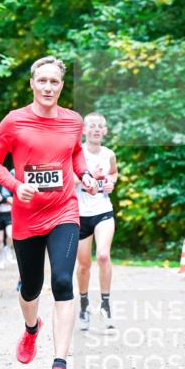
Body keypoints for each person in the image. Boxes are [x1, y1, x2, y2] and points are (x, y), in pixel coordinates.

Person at [0, 56, 99, 369]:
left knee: (63, 281)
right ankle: (31, 328)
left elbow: (75, 154)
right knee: (31, 287)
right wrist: (15, 185)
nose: (48, 87)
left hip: (64, 211)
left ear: (61, 85)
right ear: (32, 84)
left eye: (54, 81)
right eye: (43, 81)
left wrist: (85, 175)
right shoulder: (14, 121)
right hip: (27, 216)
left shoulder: (73, 121)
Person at [75, 112, 118, 332]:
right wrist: (86, 175)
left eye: (100, 126)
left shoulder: (109, 154)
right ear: (84, 130)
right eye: (91, 126)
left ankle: (106, 305)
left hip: (103, 211)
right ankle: (84, 305)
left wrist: (110, 183)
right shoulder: (77, 153)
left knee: (103, 255)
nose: (96, 129)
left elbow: (113, 174)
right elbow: (68, 178)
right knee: (84, 265)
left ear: (105, 131)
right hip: (80, 214)